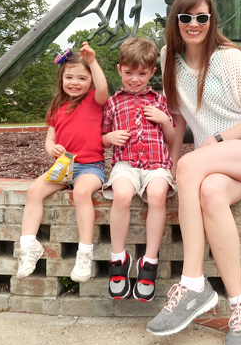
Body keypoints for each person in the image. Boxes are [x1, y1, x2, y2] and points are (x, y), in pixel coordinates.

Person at [146, 0, 241, 345]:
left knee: (195, 164)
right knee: (208, 192)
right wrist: (172, 161)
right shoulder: (168, 58)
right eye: (186, 17)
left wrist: (217, 140)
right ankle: (240, 305)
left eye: (202, 18)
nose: (194, 24)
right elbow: (177, 117)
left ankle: (193, 283)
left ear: (212, 21)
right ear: (175, 21)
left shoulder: (230, 58)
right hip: (221, 158)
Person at [16, 42, 108, 283]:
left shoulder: (93, 101)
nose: (74, 82)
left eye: (81, 77)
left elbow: (103, 88)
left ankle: (85, 253)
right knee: (34, 190)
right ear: (61, 78)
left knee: (81, 193)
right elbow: (50, 139)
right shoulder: (57, 106)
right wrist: (52, 149)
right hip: (64, 167)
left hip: (90, 167)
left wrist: (93, 61)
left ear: (90, 81)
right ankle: (28, 247)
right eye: (69, 77)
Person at [101, 37, 176, 302]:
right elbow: (101, 136)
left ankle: (150, 261)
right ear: (119, 69)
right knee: (121, 195)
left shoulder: (159, 101)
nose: (135, 79)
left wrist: (165, 120)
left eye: (142, 73)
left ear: (152, 73)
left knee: (157, 195)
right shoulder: (112, 103)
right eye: (129, 72)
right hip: (126, 164)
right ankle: (118, 259)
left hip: (157, 165)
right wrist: (109, 139)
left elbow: (170, 137)